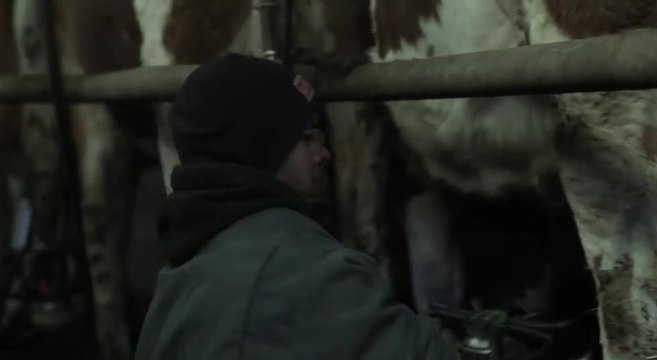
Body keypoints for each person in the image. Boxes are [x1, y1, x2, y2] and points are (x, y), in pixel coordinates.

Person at [133, 53, 458, 360]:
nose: (323, 154)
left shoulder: (176, 279)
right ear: (262, 149)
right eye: (308, 137)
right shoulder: (311, 272)